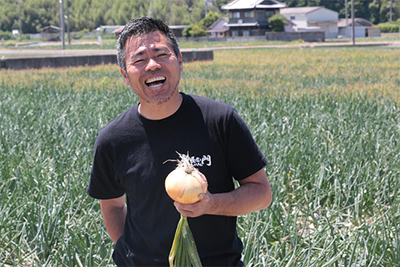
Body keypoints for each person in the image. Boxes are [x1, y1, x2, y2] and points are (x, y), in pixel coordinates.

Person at [87, 16, 272, 267]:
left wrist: (211, 204)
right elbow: (112, 207)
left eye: (161, 54)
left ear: (180, 61)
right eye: (139, 59)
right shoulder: (113, 138)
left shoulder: (220, 120)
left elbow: (261, 193)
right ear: (124, 75)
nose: (152, 65)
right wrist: (129, 252)